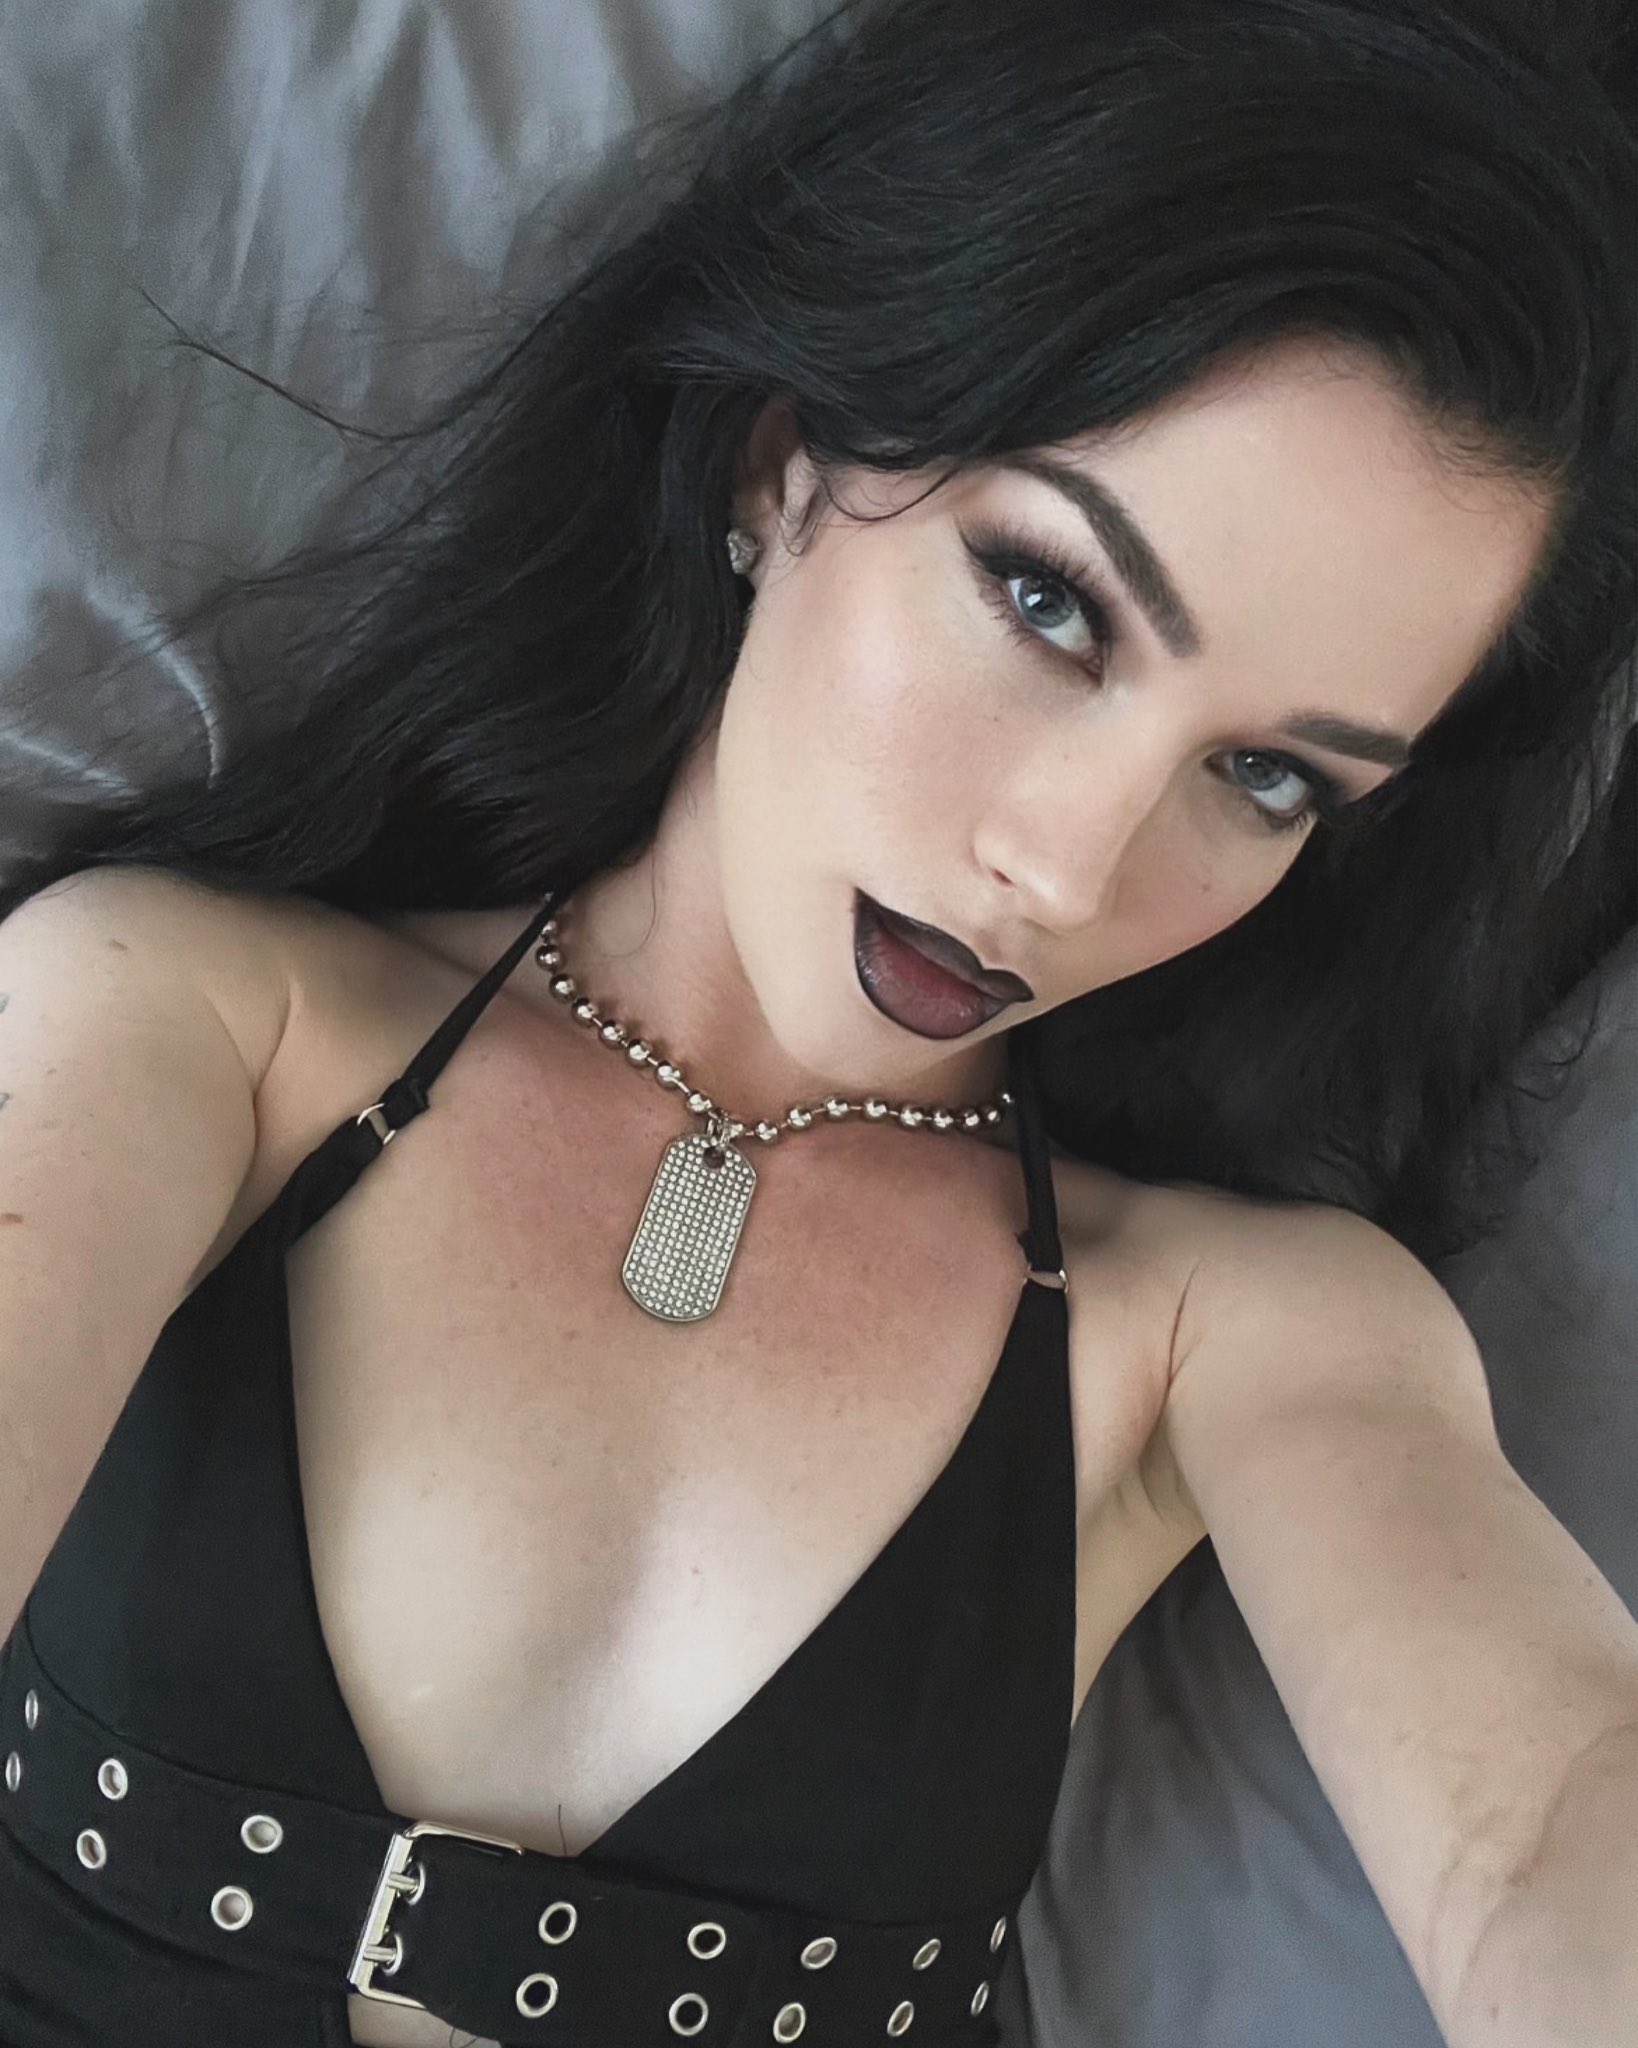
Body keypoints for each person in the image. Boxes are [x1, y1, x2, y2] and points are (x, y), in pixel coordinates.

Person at [0, 0, 1634, 2043]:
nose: (1065, 868)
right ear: (781, 466)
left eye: (1267, 776)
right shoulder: (189, 1022)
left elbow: (1551, 1809)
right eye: (1050, 601)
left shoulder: (1235, 1327)